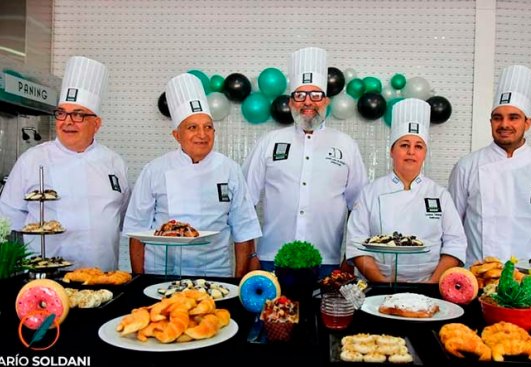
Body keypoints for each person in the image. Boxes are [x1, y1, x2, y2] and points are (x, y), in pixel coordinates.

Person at [243, 47, 368, 279]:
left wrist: (350, 257)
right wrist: (250, 255)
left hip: (327, 262)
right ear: (291, 102)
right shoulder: (269, 143)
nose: (307, 102)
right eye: (300, 95)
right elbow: (244, 202)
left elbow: (359, 208)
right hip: (272, 258)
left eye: (315, 95)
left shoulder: (346, 145)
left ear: (326, 101)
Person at [123, 72, 261, 277]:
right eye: (192, 127)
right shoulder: (154, 170)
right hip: (160, 272)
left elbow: (244, 230)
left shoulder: (230, 169)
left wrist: (237, 281)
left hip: (214, 272)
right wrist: (138, 280)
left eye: (208, 127)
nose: (202, 135)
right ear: (177, 135)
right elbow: (136, 231)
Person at [0, 56, 130, 271]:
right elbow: (6, 221)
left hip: (103, 278)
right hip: (47, 279)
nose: (67, 121)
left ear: (96, 124)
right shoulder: (32, 160)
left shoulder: (114, 162)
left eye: (78, 115)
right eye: (62, 113)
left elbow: (122, 216)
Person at [448, 65, 531, 267]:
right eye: (498, 117)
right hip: (479, 275)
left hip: (530, 279)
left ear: (528, 123)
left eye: (513, 117)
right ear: (491, 121)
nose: (504, 124)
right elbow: (453, 225)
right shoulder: (467, 166)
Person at [346, 98, 467, 283]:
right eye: (404, 145)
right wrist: (382, 283)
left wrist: (432, 284)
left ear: (424, 153)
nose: (411, 151)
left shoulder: (439, 194)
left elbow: (455, 244)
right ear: (392, 151)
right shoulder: (370, 192)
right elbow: (356, 244)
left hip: (430, 284)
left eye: (418, 146)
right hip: (380, 283)